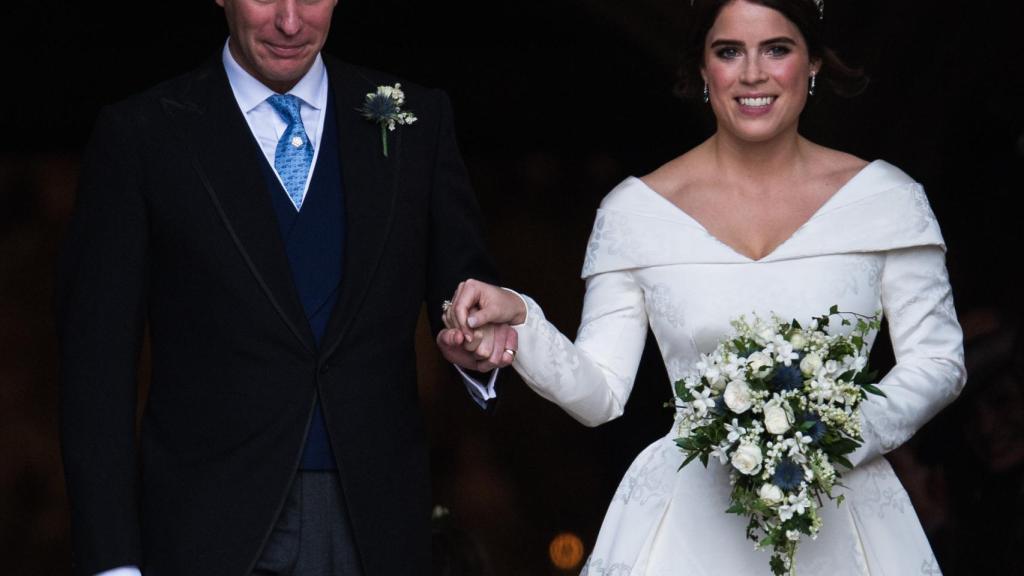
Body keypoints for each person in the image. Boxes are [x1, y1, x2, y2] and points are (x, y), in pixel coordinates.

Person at [438, 0, 966, 573]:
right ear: (701, 68)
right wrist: (522, 319)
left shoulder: (886, 200)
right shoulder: (635, 212)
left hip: (844, 518)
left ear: (812, 62)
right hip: (685, 531)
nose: (753, 74)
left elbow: (938, 360)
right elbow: (600, 394)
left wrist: (839, 428)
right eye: (729, 51)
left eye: (777, 49)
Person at [56, 1, 517, 575]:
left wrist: (480, 344)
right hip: (206, 527)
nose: (291, 22)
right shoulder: (142, 133)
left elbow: (469, 292)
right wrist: (112, 562)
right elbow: (96, 367)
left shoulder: (418, 120)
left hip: (377, 525)